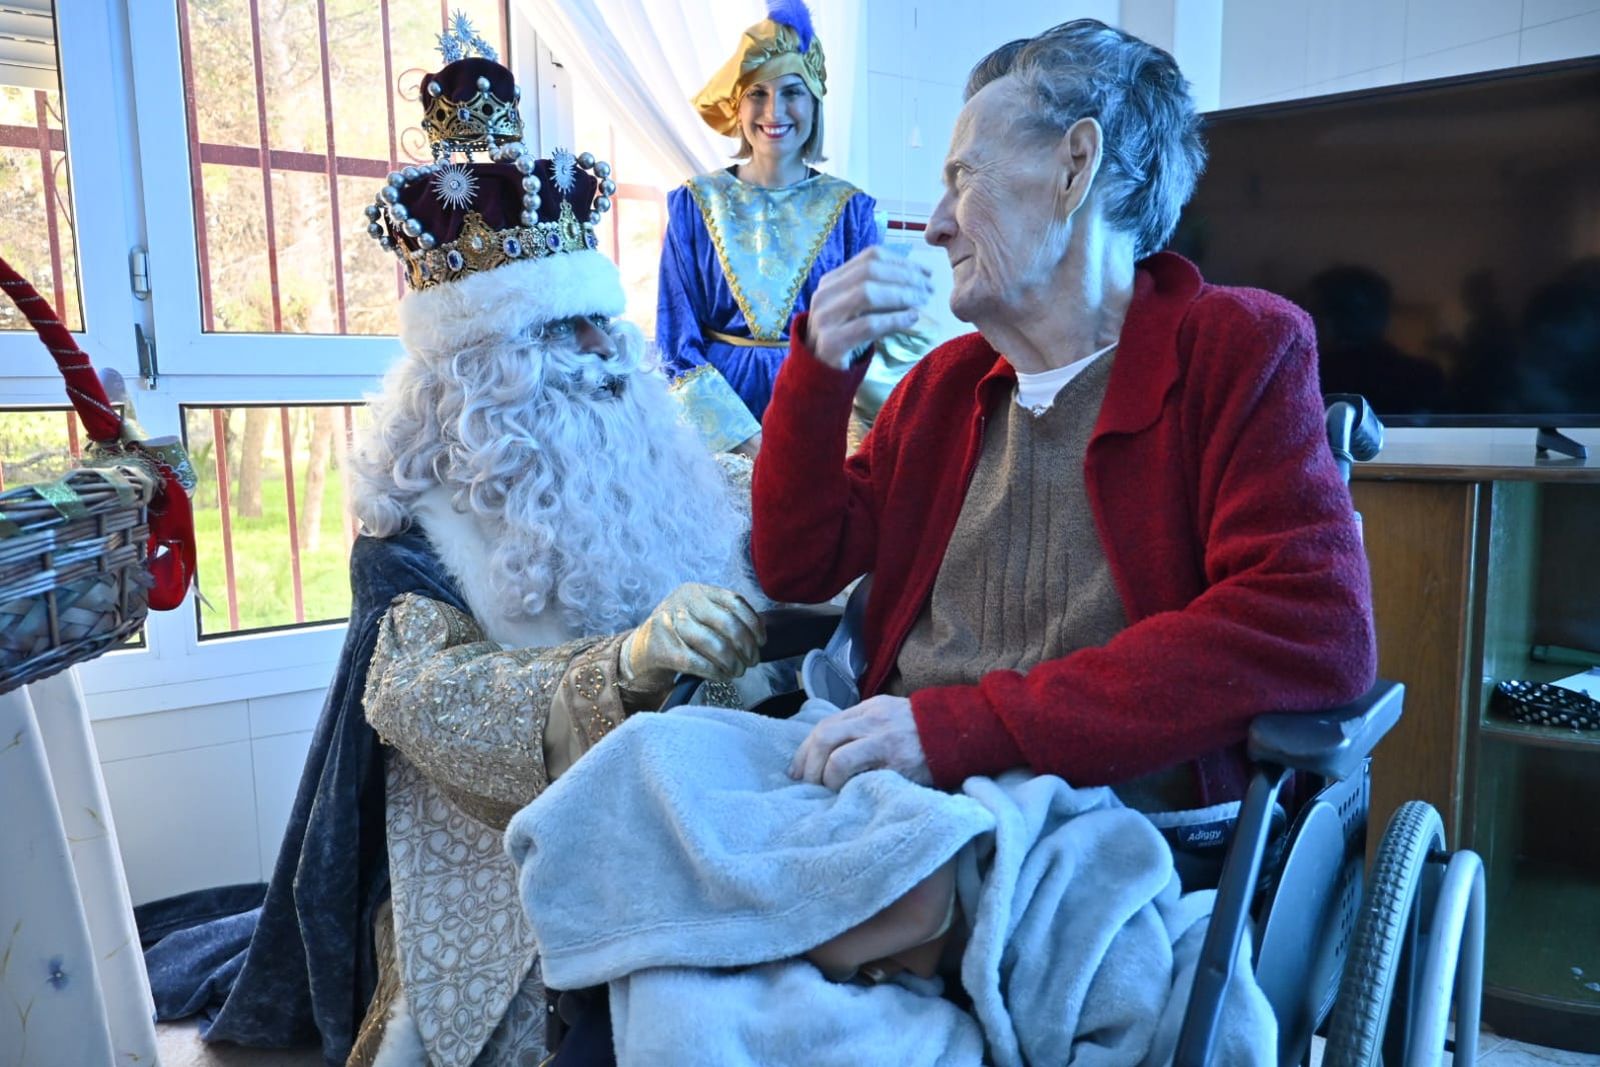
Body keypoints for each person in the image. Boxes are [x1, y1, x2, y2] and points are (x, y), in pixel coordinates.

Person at [138, 34, 768, 1067]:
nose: (603, 352)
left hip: (683, 778)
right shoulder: (417, 516)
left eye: (599, 321)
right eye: (559, 331)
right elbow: (422, 696)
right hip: (497, 840)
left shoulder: (649, 451)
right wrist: (626, 662)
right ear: (479, 368)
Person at [753, 20, 1377, 823]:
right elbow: (796, 564)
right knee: (641, 761)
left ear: (1076, 166)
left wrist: (960, 729)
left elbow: (1315, 628)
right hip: (893, 770)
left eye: (962, 178)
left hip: (1084, 808)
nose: (936, 224)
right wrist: (818, 368)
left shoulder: (1237, 349)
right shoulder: (944, 386)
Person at [656, 0, 879, 455]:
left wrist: (800, 442)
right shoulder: (694, 204)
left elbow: (860, 340)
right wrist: (747, 443)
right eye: (758, 93)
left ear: (814, 102)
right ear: (737, 106)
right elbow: (676, 343)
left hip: (816, 419)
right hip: (716, 437)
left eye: (792, 91)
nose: (774, 110)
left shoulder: (852, 212)